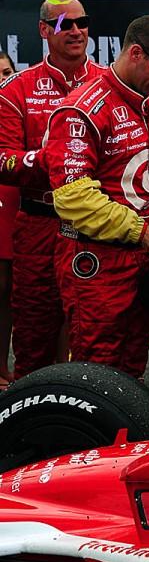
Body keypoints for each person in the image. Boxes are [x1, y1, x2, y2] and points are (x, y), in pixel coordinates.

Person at [45, 16, 149, 377]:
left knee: (133, 364)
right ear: (137, 53)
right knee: (97, 370)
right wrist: (142, 230)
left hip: (141, 258)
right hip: (95, 260)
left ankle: (129, 435)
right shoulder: (81, 108)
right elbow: (73, 196)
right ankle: (94, 436)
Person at [0, 0, 104, 378]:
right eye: (65, 24)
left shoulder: (108, 84)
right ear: (44, 31)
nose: (76, 31)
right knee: (33, 336)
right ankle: (33, 425)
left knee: (97, 333)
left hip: (96, 230)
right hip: (39, 224)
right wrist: (51, 159)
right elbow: (2, 160)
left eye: (82, 23)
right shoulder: (16, 89)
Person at [0, 52, 18, 386]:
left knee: (13, 289)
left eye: (7, 71)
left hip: (16, 200)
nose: (3, 78)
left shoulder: (18, 104)